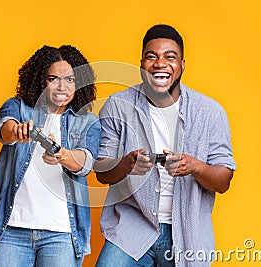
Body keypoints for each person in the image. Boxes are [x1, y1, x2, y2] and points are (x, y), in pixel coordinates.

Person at [94, 24, 236, 267]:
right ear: (141, 64)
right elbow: (102, 173)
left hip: (188, 234)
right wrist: (127, 164)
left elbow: (223, 181)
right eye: (152, 57)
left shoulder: (210, 112)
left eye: (170, 57)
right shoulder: (118, 106)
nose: (160, 63)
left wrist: (195, 167)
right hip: (131, 227)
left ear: (182, 64)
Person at [0, 45, 101, 267]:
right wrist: (16, 131)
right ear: (40, 80)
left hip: (62, 235)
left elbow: (85, 162)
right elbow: (5, 129)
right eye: (53, 78)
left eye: (70, 79)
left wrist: (62, 155)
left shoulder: (88, 121)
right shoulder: (18, 107)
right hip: (13, 231)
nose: (62, 86)